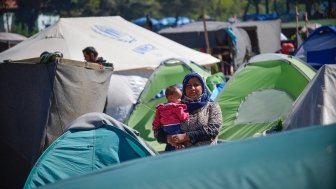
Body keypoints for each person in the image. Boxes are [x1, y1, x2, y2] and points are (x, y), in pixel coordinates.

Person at [154, 72, 223, 150]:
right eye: (188, 86)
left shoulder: (212, 106)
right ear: (184, 89)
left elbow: (213, 130)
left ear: (203, 87)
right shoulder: (174, 105)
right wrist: (168, 138)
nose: (192, 88)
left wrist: (185, 137)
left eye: (196, 85)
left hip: (205, 155)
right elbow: (157, 131)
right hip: (178, 156)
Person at [152, 85, 189, 151]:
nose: (180, 100)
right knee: (178, 137)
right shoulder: (176, 107)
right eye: (179, 98)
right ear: (171, 97)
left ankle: (175, 145)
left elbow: (157, 119)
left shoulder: (161, 108)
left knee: (172, 138)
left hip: (166, 128)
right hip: (176, 126)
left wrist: (155, 126)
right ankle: (179, 145)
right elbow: (182, 117)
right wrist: (187, 115)